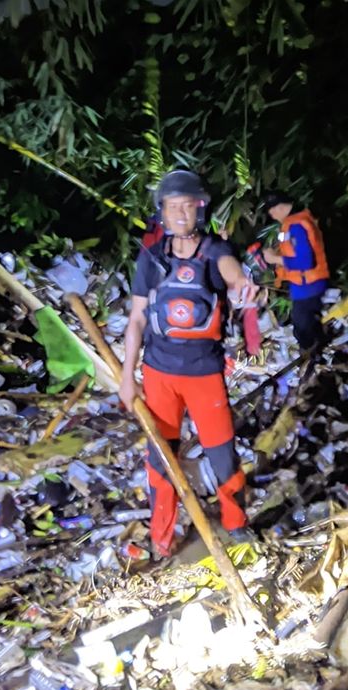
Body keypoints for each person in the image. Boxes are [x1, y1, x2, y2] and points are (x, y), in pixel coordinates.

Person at [120, 170, 257, 558]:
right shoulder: (151, 257)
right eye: (172, 206)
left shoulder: (214, 251)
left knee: (222, 453)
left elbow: (232, 273)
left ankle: (235, 522)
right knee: (161, 457)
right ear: (161, 211)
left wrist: (242, 286)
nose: (180, 214)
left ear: (201, 209)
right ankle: (162, 538)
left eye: (188, 206)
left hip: (204, 373)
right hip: (160, 373)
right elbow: (137, 320)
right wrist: (128, 379)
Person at [260, 191, 329, 351]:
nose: (272, 216)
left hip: (308, 284)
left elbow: (304, 261)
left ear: (282, 206)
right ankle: (320, 352)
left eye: (272, 211)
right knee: (308, 324)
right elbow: (294, 252)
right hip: (303, 284)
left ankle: (313, 359)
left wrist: (274, 259)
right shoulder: (296, 222)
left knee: (303, 330)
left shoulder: (296, 225)